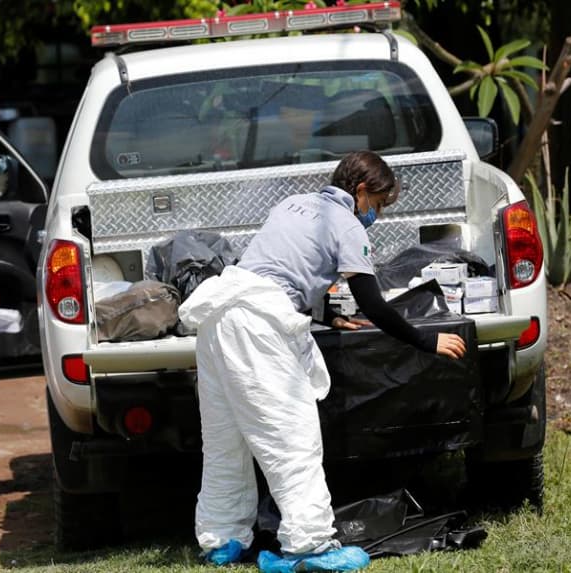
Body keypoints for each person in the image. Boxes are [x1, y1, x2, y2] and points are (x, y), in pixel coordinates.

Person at [178, 150, 466, 572]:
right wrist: (426, 340)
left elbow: (281, 268)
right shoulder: (345, 224)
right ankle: (310, 546)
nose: (377, 216)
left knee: (226, 443)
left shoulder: (292, 204)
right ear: (362, 191)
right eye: (379, 205)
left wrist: (328, 314)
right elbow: (374, 302)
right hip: (258, 326)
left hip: (220, 318)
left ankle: (222, 539)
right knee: (293, 438)